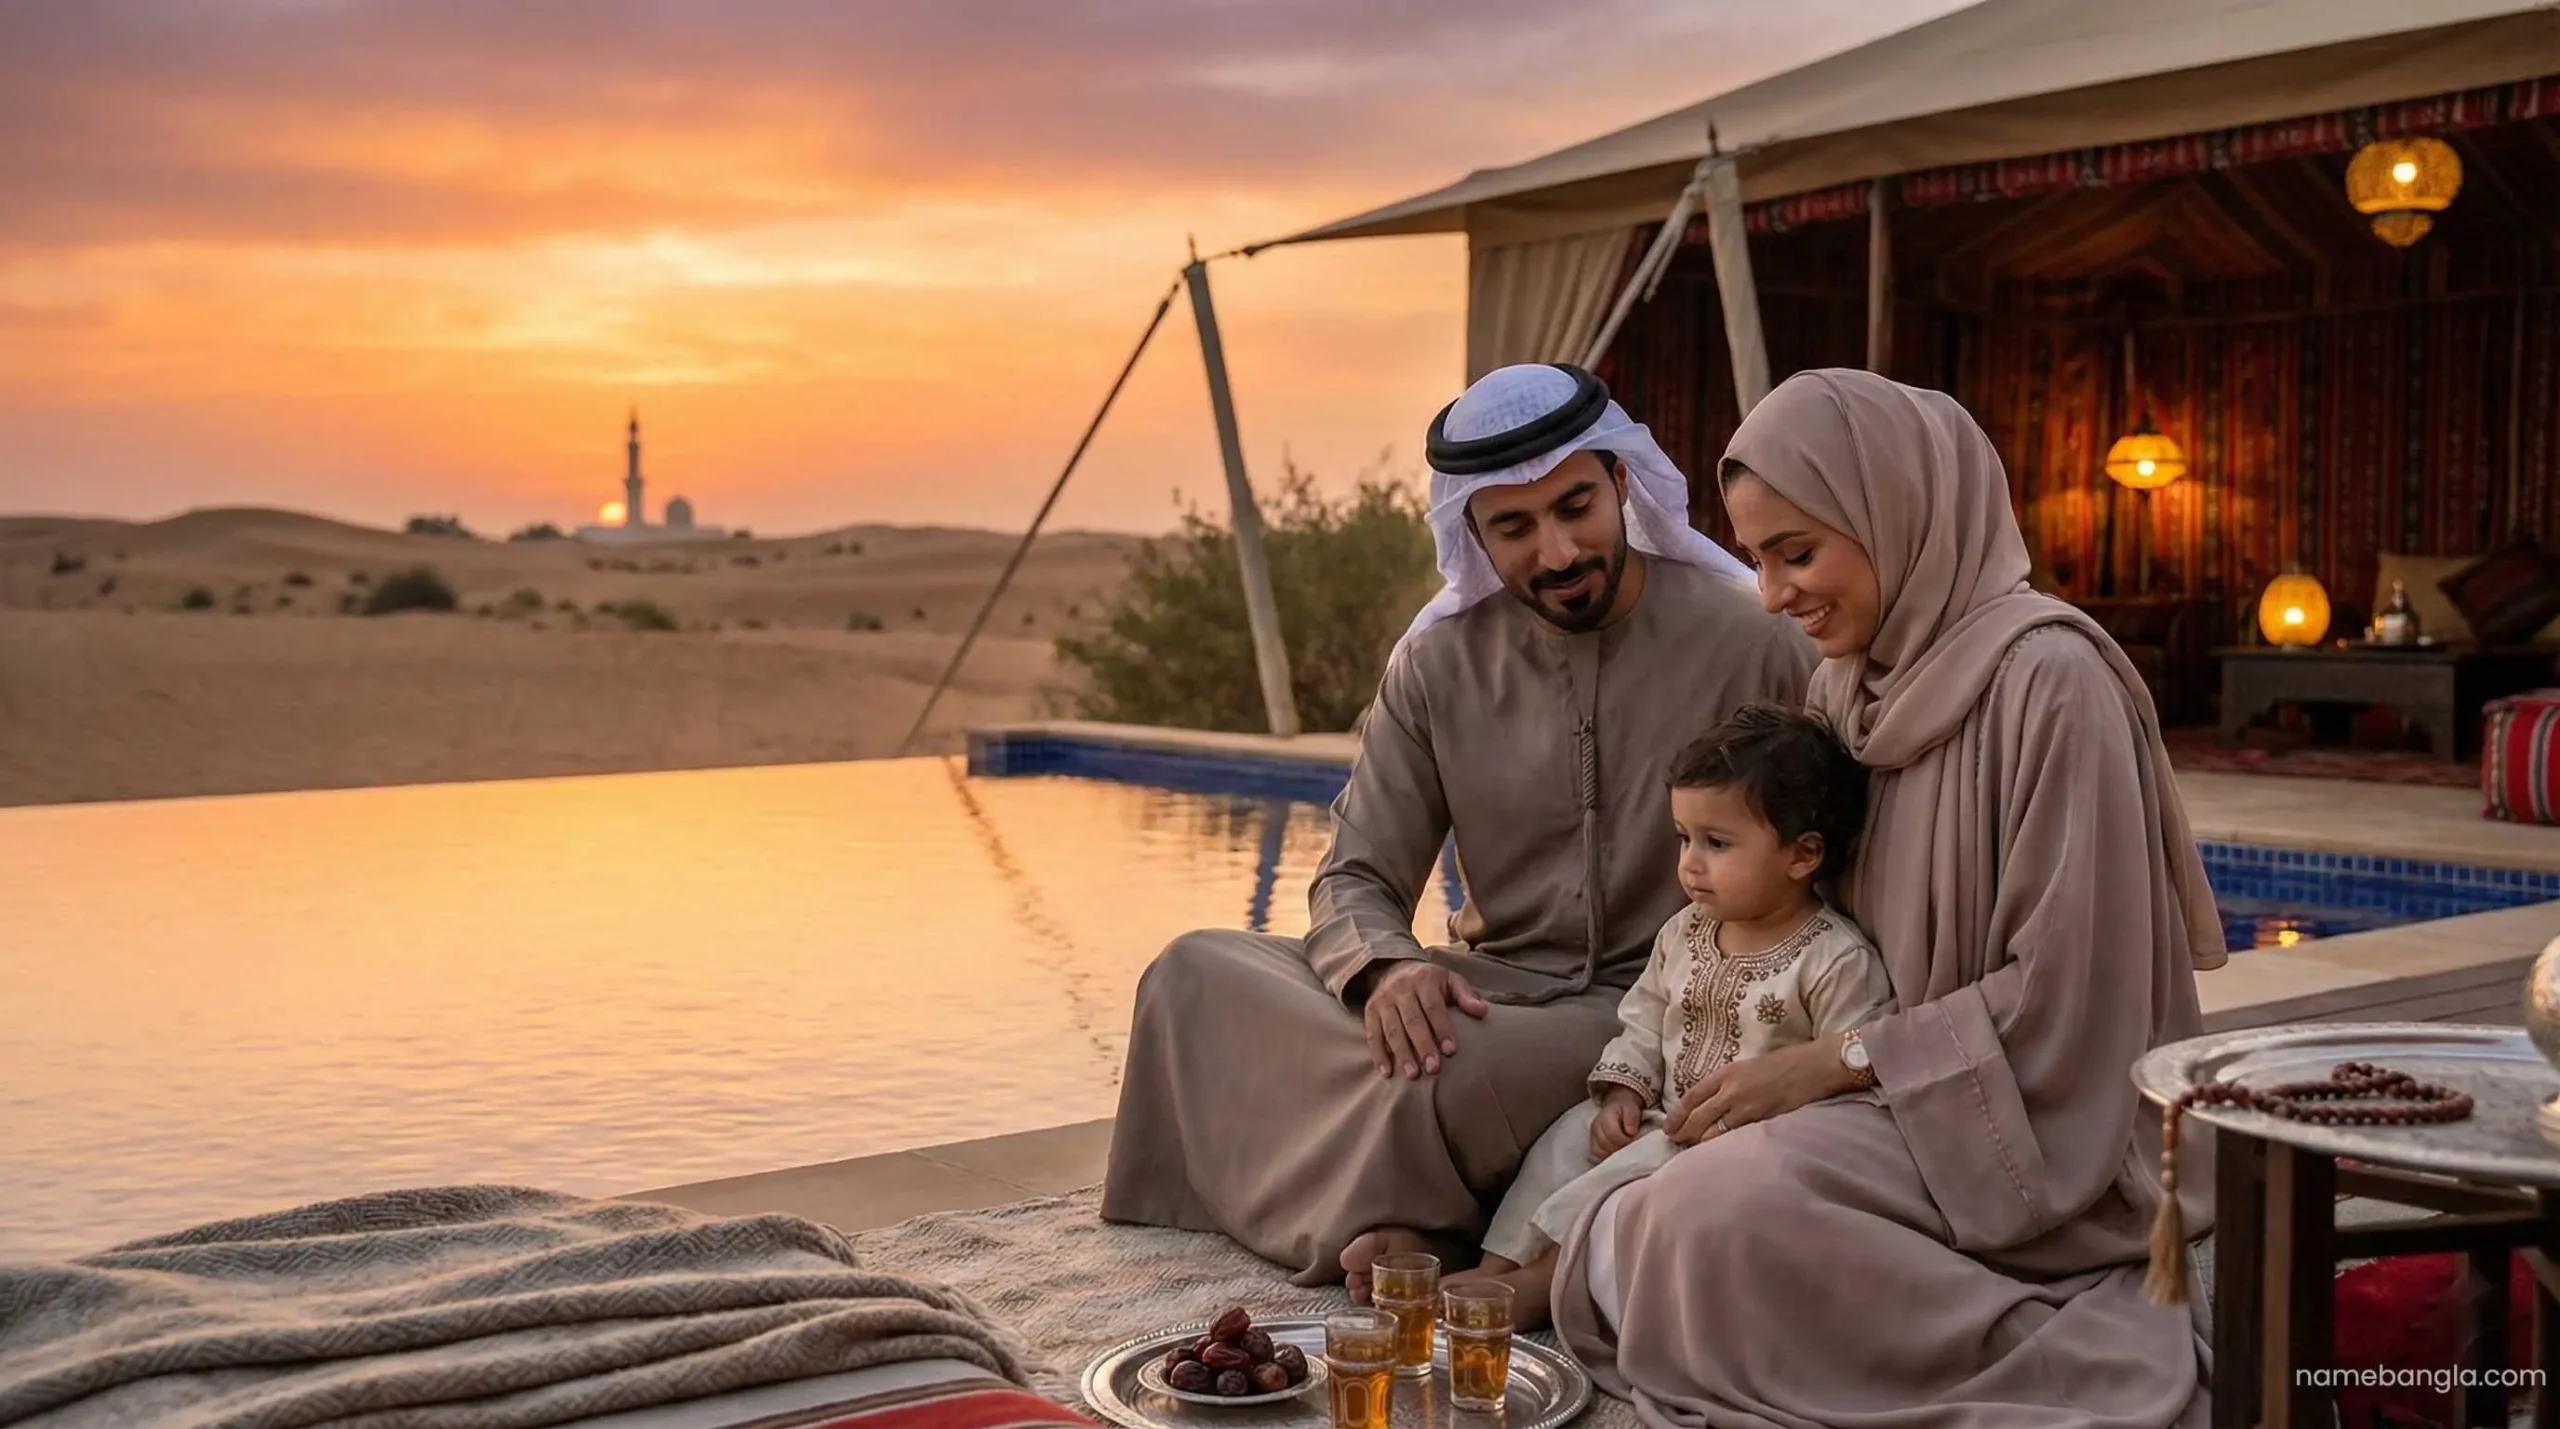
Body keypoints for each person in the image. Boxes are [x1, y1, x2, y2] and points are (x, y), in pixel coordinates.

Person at [1546, 368, 2227, 1427]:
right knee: (1645, 1209)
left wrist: (1839, 1060)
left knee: (1700, 1219)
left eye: (1796, 551)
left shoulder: (2051, 683)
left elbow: (2074, 996)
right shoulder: (1849, 685)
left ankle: (2041, 1358)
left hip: (2036, 1114)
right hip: (1891, 1091)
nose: (1771, 594)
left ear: (1898, 511)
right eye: (1760, 558)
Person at [1099, 362, 1817, 1293]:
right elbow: (1354, 875)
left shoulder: (1751, 639)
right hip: (1482, 988)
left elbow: (1831, 842)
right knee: (1193, 974)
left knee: (1440, 1069)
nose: (1556, 551)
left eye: (1574, 508)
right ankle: (1436, 1199)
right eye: (1514, 527)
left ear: (1622, 485)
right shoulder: (1437, 665)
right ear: (1473, 532)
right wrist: (1389, 967)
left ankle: (1426, 1221)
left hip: (1659, 1002)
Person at [1451, 702, 1892, 1327]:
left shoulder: (1832, 959)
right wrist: (1621, 1095)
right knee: (1568, 1139)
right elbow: (1645, 1022)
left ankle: (1544, 1287)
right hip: (1660, 1115)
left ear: (1802, 855)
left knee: (1631, 1179)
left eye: (1717, 843)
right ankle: (1497, 1267)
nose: (1690, 862)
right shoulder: (1684, 933)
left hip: (1731, 1150)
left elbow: (1845, 1079)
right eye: (1684, 838)